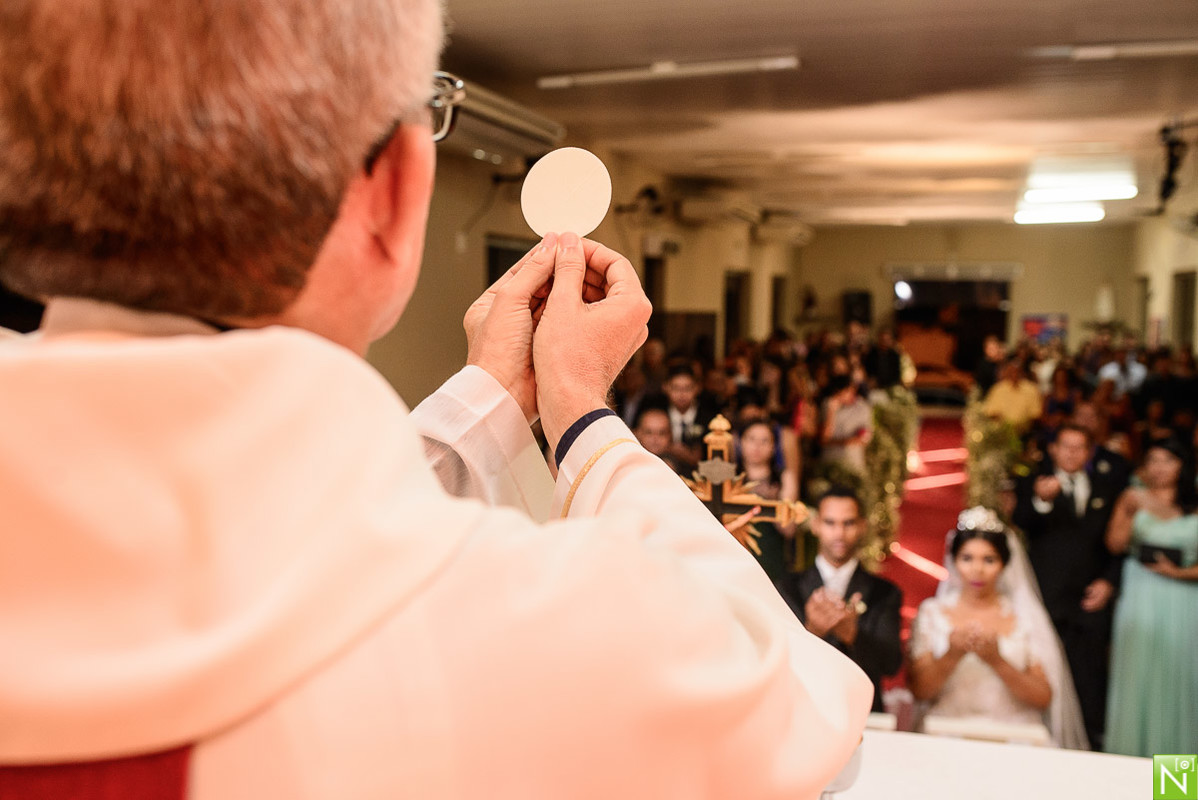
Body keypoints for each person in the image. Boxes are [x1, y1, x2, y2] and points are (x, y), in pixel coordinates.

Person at [0, 2, 873, 797]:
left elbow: (270, 537)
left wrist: (489, 398)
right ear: (395, 189)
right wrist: (583, 417)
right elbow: (798, 707)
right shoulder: (542, 640)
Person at [908, 508, 1088, 749]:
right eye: (967, 558)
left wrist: (997, 660)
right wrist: (952, 654)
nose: (977, 570)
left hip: (1014, 736)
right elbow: (920, 691)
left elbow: (1043, 698)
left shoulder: (1024, 616)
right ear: (954, 561)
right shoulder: (932, 612)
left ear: (1004, 564)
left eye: (989, 559)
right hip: (947, 733)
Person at [1012, 424, 1125, 749]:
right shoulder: (1034, 483)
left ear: (1090, 453)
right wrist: (1041, 500)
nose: (1072, 453)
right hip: (1045, 602)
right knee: (1042, 679)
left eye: (1080, 447)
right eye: (1066, 446)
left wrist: (1108, 582)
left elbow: (1116, 547)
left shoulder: (1107, 488)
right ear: (1054, 450)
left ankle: (1089, 753)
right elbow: (1022, 522)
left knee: (1088, 684)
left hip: (1089, 606)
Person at [1103, 439, 1198, 758]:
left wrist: (1179, 573)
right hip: (1140, 594)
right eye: (1153, 460)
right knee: (1136, 679)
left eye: (1168, 460)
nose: (1159, 467)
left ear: (1182, 465)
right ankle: (1127, 780)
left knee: (1177, 683)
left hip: (1183, 599)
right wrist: (1128, 512)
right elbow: (1115, 545)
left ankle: (1175, 788)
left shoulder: (1194, 501)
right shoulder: (1132, 496)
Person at [775, 487, 903, 712]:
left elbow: (891, 664)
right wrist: (811, 631)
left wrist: (853, 635)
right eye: (830, 523)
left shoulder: (885, 592)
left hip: (862, 710)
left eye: (848, 523)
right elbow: (775, 658)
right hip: (802, 706)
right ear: (815, 526)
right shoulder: (786, 587)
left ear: (862, 526)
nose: (839, 533)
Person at [820, 374, 872, 474]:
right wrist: (831, 412)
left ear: (852, 389)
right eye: (838, 393)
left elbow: (864, 438)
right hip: (830, 463)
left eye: (844, 392)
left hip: (852, 464)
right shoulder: (828, 404)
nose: (841, 397)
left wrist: (837, 442)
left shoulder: (863, 407)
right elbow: (824, 438)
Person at [981, 357, 1043, 435]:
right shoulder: (998, 389)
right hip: (1001, 433)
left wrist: (1020, 426)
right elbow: (991, 413)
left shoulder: (1031, 389)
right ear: (1006, 373)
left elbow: (1036, 415)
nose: (1014, 374)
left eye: (1017, 372)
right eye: (1011, 372)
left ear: (1022, 373)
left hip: (1025, 433)